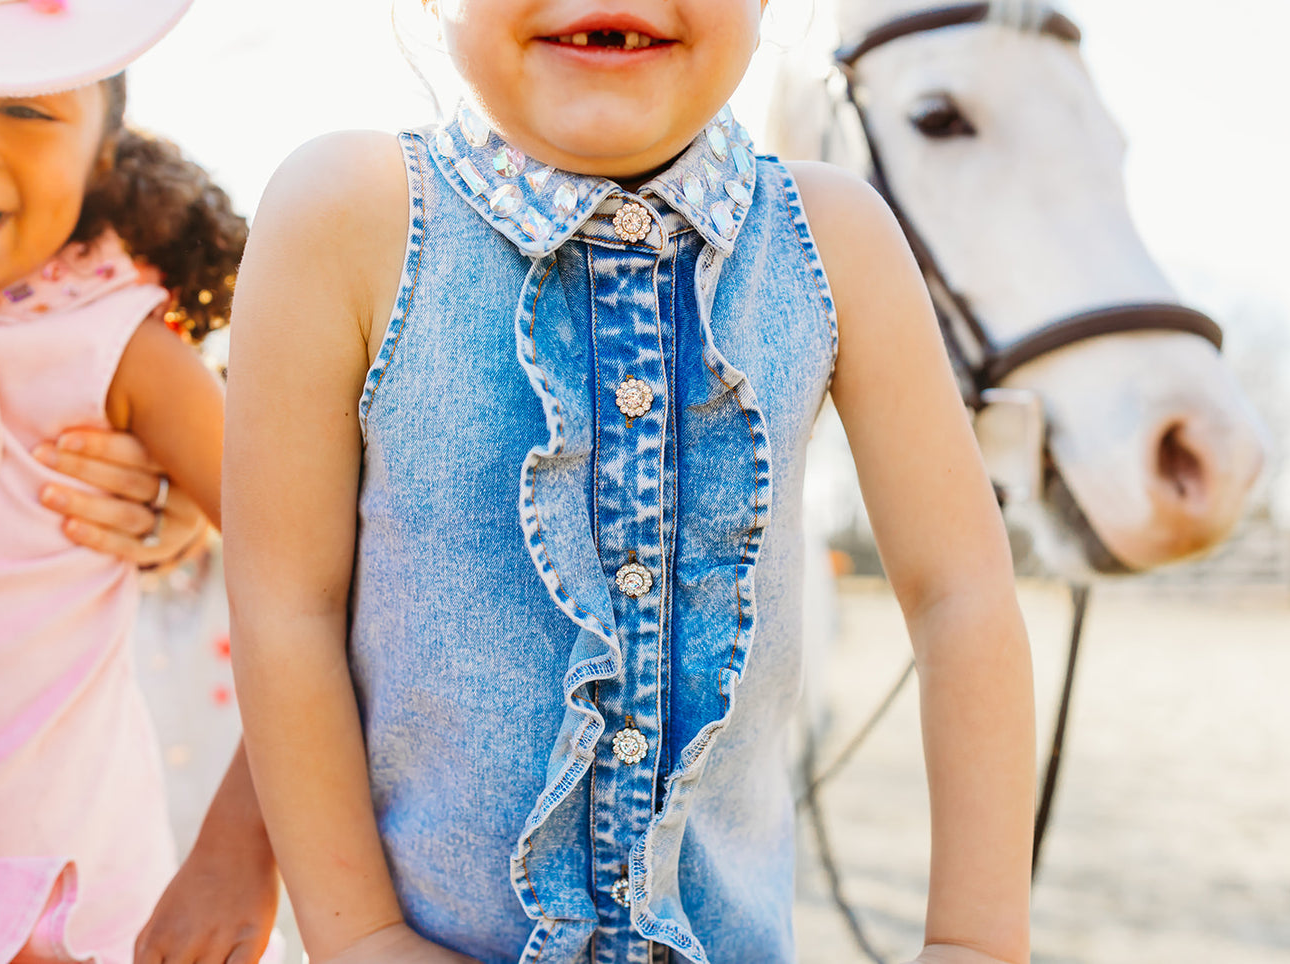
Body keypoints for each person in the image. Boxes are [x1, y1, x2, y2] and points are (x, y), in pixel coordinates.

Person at [224, 1, 1036, 962]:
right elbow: (288, 606)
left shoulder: (832, 238)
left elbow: (961, 595)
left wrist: (974, 942)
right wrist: (359, 935)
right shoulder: (350, 211)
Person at [0, 3, 277, 963]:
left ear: (103, 159)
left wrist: (240, 847)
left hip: (78, 908)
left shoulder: (115, 346)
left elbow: (321, 580)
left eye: (25, 112)